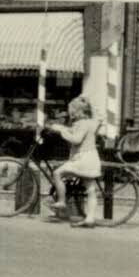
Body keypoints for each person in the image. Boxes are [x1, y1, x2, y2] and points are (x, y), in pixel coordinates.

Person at [47, 97, 102, 228]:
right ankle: (90, 218)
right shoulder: (90, 122)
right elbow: (78, 130)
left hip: (82, 159)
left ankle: (61, 201)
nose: (69, 113)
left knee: (57, 173)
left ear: (76, 112)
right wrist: (63, 127)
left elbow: (76, 139)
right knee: (90, 189)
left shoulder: (82, 124)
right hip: (92, 158)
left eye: (70, 110)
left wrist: (62, 131)